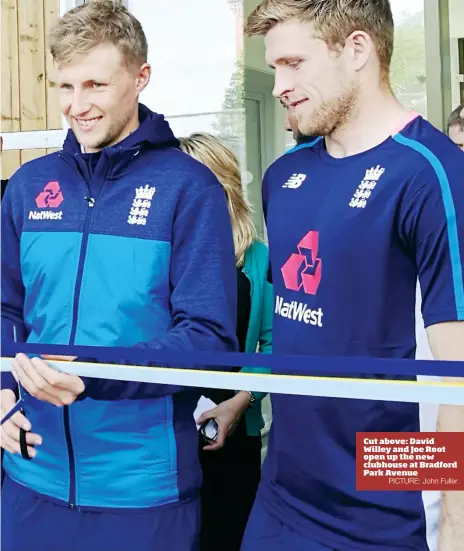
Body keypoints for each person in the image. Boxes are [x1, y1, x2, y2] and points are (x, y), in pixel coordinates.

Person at [0, 2, 238, 551]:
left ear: (140, 78)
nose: (76, 107)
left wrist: (94, 373)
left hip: (141, 495)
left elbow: (208, 338)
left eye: (94, 85)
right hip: (29, 481)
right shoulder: (28, 186)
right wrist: (4, 388)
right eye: (65, 87)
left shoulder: (189, 189)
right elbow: (7, 309)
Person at [242, 1, 464, 551]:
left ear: (357, 50)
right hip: (283, 495)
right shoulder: (283, 177)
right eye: (274, 68)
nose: (279, 86)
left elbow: (460, 376)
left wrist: (456, 527)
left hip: (387, 511)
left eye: (294, 63)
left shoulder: (433, 174)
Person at [179, 132, 273, 551]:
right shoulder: (162, 251)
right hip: (170, 427)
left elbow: (275, 344)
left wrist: (242, 400)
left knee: (226, 537)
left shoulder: (259, 259)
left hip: (235, 433)